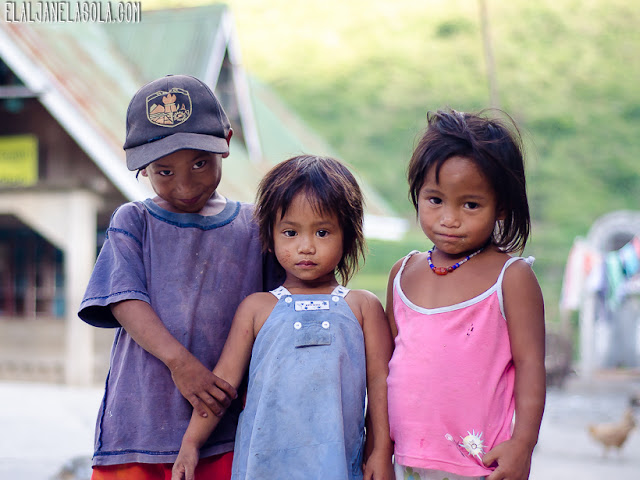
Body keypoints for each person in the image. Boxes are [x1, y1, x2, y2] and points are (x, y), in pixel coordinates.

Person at [78, 74, 279, 479]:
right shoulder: (133, 221)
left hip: (226, 429)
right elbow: (124, 299)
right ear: (142, 165)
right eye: (164, 171)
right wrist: (180, 364)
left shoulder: (255, 227)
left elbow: (277, 313)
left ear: (226, 141)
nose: (185, 185)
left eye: (200, 164)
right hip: (139, 424)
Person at [172, 155, 395, 480]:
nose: (306, 247)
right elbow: (224, 383)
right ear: (270, 235)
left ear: (347, 235)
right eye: (290, 233)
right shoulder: (257, 308)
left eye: (322, 232)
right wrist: (190, 444)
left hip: (335, 464)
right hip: (264, 463)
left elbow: (380, 386)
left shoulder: (363, 307)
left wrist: (380, 452)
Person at [385, 109, 546, 480]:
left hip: (480, 464)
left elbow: (531, 366)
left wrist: (523, 445)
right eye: (435, 200)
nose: (449, 218)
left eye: (470, 204)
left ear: (502, 205)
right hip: (407, 459)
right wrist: (378, 447)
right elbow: (385, 370)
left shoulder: (511, 278)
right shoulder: (403, 273)